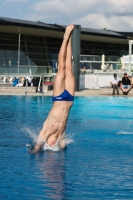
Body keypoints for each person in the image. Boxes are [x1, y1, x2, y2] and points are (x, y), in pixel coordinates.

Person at [30, 24, 75, 154]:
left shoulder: (46, 132)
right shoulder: (61, 136)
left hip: (59, 97)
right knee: (69, 68)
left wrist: (36, 151)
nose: (52, 144)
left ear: (46, 141)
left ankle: (65, 37)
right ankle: (71, 37)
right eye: (52, 146)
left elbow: (37, 146)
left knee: (61, 67)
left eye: (49, 145)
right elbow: (62, 147)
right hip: (70, 99)